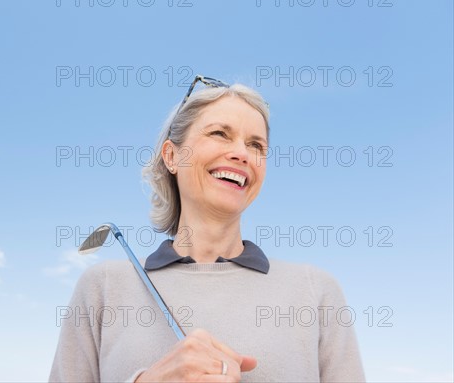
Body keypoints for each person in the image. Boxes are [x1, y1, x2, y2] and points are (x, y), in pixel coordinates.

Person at [49, 76, 365, 382]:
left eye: (256, 144)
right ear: (172, 156)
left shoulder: (315, 291)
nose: (242, 153)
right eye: (219, 133)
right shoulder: (104, 287)